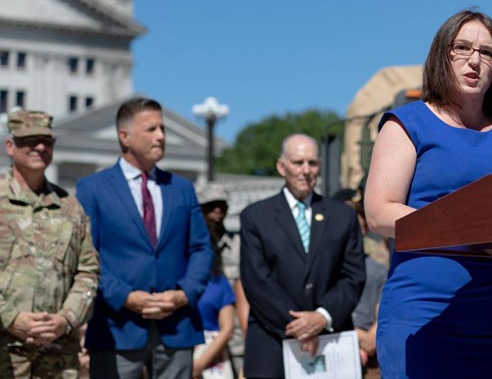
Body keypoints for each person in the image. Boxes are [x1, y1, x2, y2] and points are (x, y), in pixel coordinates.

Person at [364, 9, 492, 378]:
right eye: (462, 48)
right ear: (442, 54)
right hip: (427, 316)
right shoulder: (409, 123)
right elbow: (379, 213)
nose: (474, 60)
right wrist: (465, 225)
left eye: (487, 52)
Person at [76, 97, 213, 378]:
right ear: (124, 137)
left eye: (162, 128)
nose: (161, 136)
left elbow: (201, 248)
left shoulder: (182, 189)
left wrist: (183, 294)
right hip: (116, 328)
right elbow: (86, 255)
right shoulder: (93, 189)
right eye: (151, 129)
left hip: (176, 327)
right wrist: (125, 296)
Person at [239, 133, 365, 379]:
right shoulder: (256, 217)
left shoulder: (342, 217)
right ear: (281, 166)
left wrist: (321, 317)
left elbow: (353, 276)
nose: (306, 170)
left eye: (312, 163)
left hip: (330, 343)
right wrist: (299, 326)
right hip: (271, 342)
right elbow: (256, 280)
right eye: (298, 163)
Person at [0, 109, 100, 378]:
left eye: (47, 141)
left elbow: (88, 272)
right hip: (5, 352)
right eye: (30, 140)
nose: (40, 147)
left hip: (57, 355)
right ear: (10, 146)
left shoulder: (70, 207)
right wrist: (10, 317)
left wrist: (66, 319)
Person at [334, 188, 388, 379]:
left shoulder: (379, 270)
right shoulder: (321, 269)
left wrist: (366, 339)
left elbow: (378, 327)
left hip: (370, 365)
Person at [194, 183, 237, 379]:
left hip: (234, 342)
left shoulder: (238, 246)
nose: (217, 211)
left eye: (222, 205)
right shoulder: (191, 244)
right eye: (211, 205)